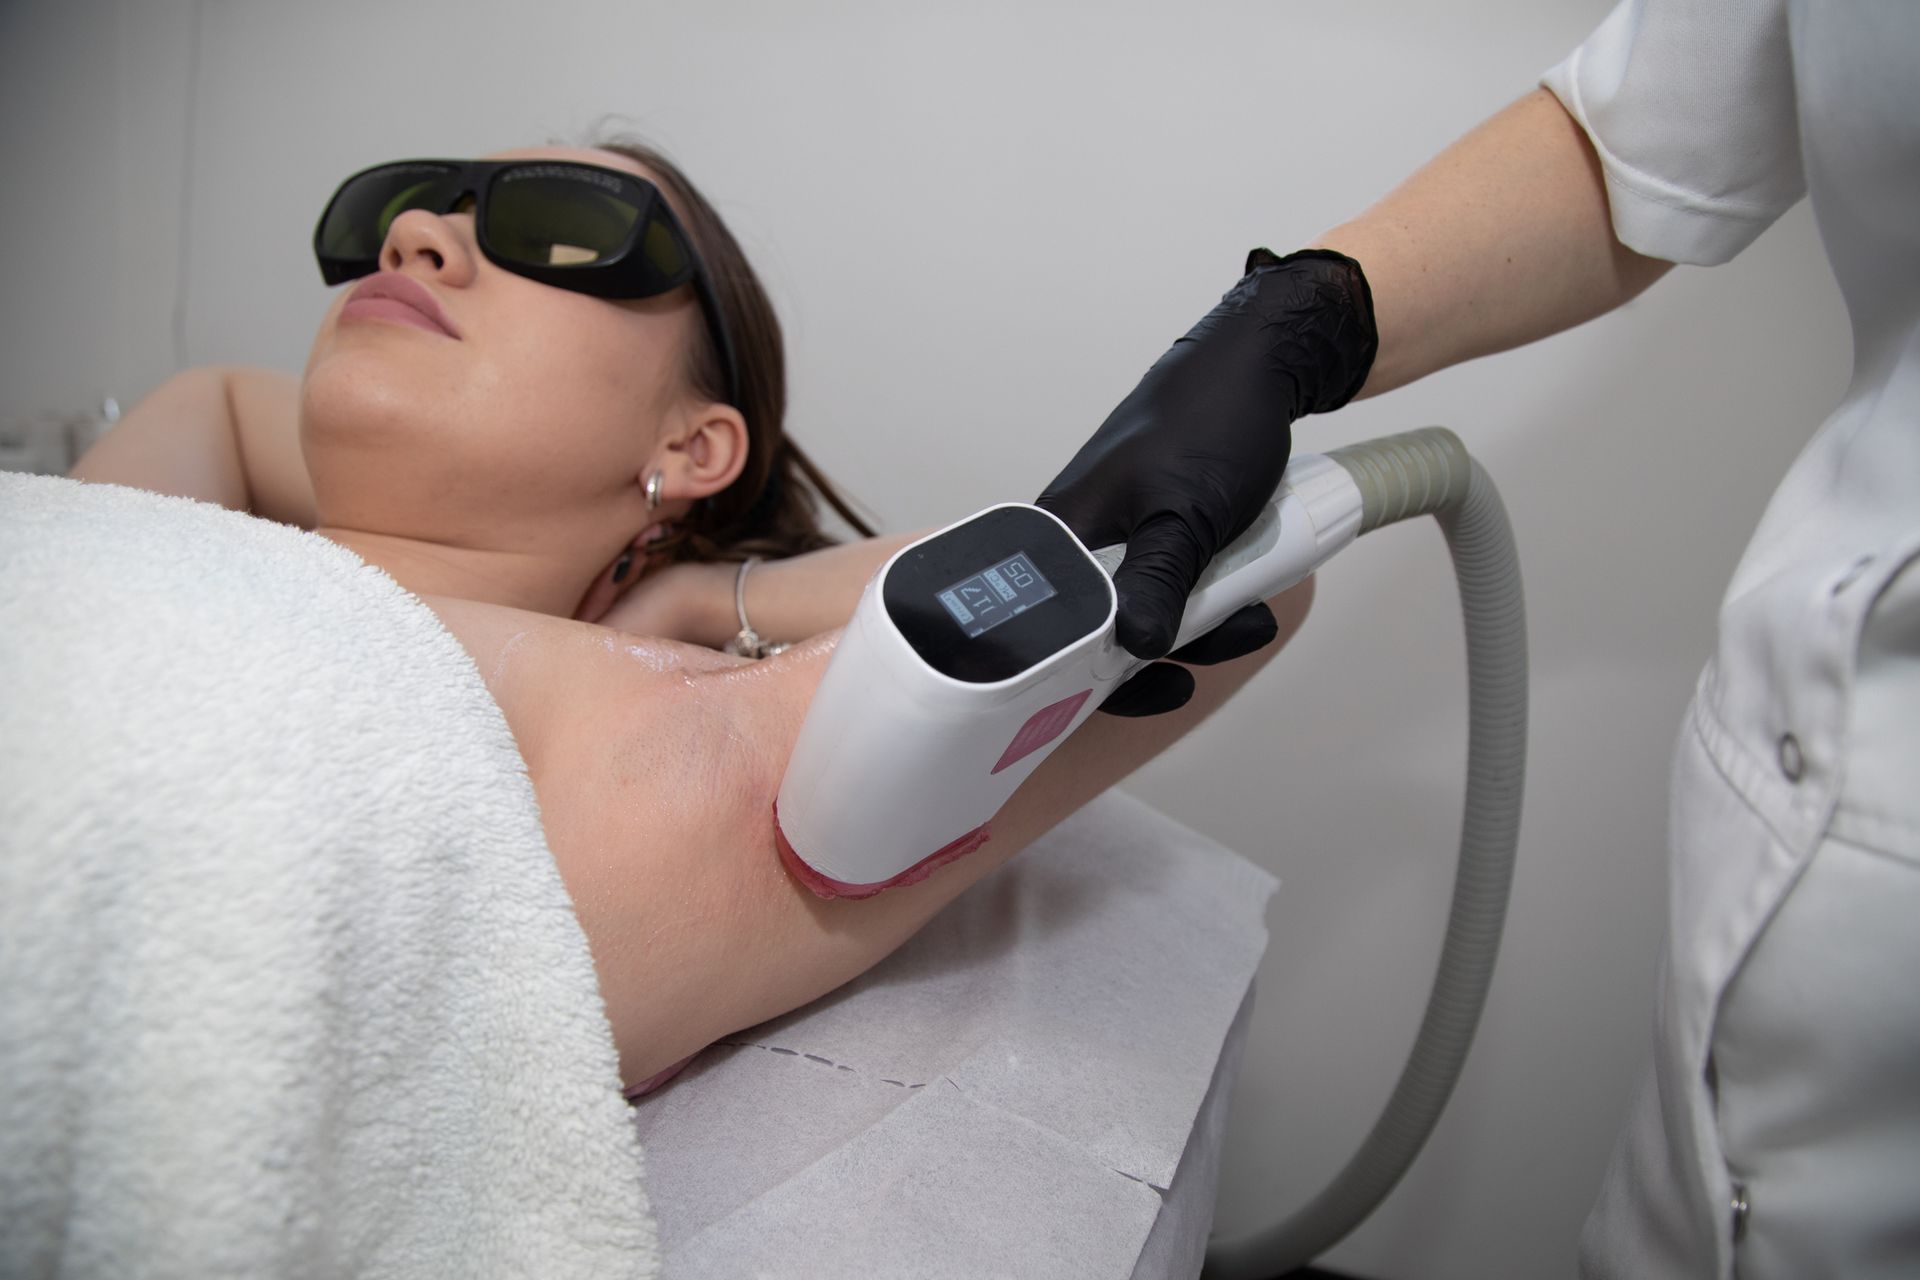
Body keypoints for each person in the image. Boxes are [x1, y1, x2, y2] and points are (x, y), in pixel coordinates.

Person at [71, 138, 1314, 1095]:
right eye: (395, 210)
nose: (412, 235)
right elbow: (219, 399)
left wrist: (708, 595)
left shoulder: (609, 738)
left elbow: (1245, 561)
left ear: (693, 442)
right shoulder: (142, 518)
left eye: (561, 229)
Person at [1035, 2, 1917, 1277]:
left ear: (704, 445)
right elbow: (1639, 144)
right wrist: (1293, 321)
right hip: (1781, 878)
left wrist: (703, 608)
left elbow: (1270, 608)